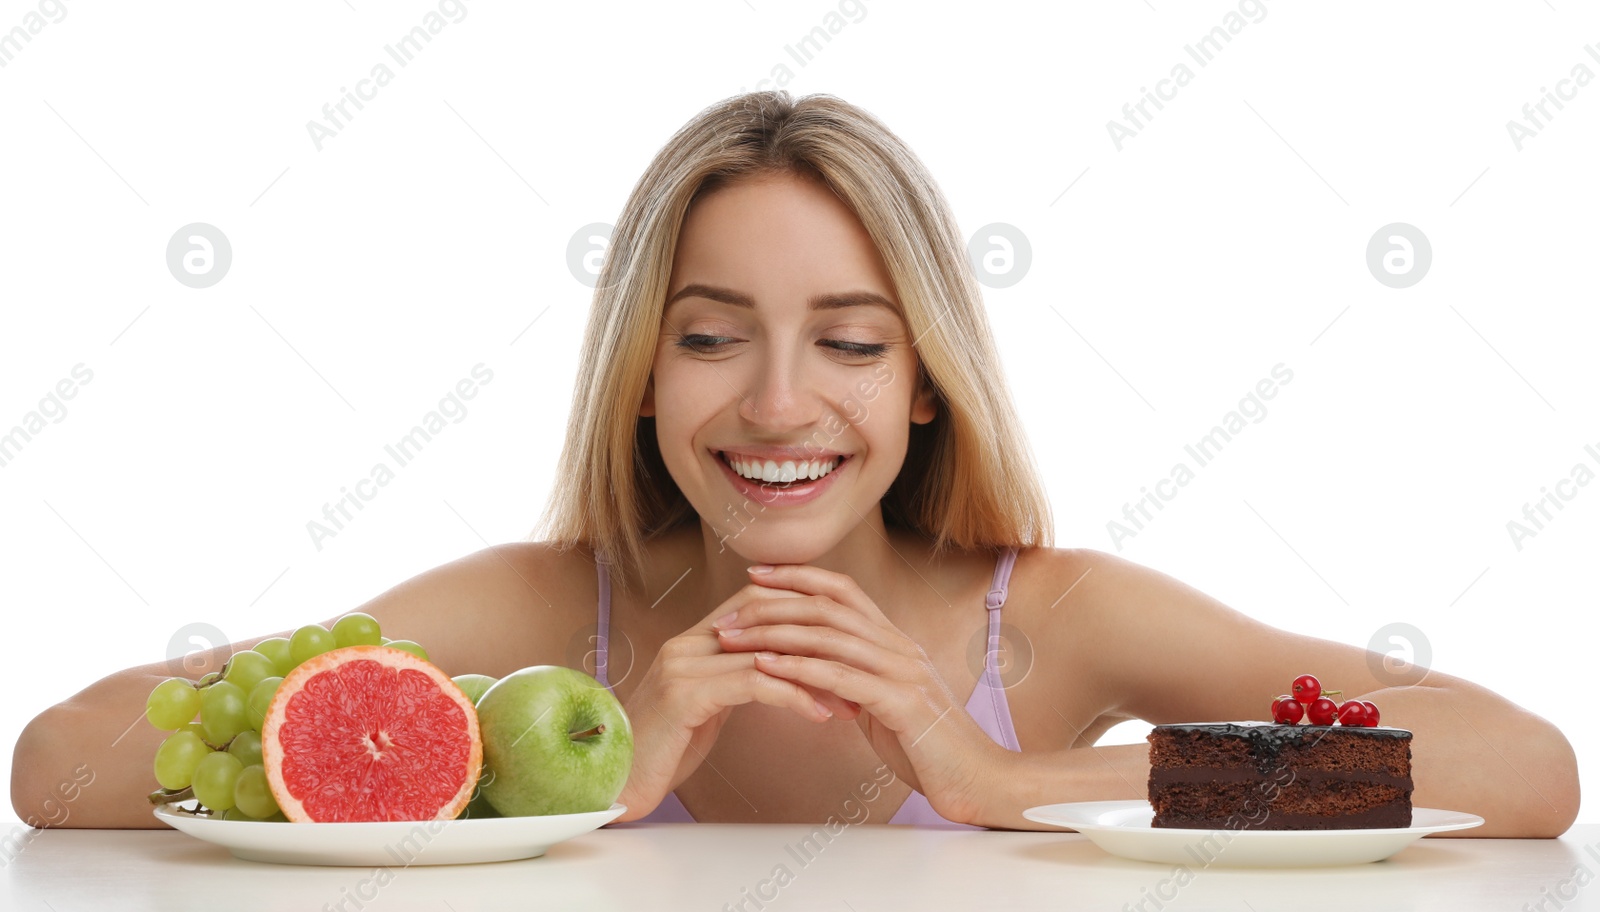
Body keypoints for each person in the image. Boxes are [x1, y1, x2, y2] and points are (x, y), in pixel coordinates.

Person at [11, 91, 1578, 835]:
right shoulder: (550, 611)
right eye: (708, 337)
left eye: (847, 339)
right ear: (638, 377)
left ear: (923, 389)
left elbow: (1525, 768)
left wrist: (1011, 777)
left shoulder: (1060, 618)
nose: (776, 404)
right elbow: (60, 761)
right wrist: (562, 782)